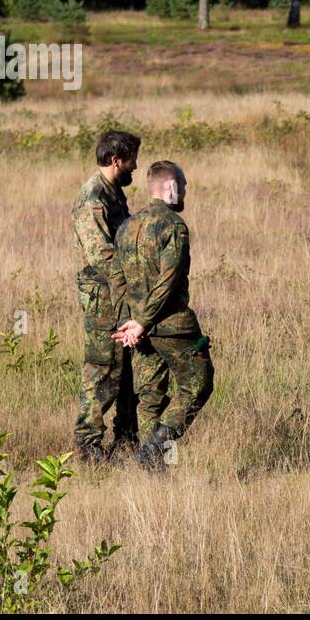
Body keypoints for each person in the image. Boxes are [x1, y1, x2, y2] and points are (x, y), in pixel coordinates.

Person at [113, 161, 213, 470]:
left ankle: (153, 474)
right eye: (182, 185)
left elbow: (119, 279)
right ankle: (153, 451)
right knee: (198, 384)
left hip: (137, 329)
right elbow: (167, 282)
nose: (185, 190)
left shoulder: (127, 227)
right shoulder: (173, 225)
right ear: (170, 187)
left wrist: (131, 322)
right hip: (170, 326)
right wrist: (142, 322)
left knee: (150, 397)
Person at [72, 130, 141, 463]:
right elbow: (101, 253)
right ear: (116, 160)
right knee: (103, 368)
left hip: (119, 292)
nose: (136, 167)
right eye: (131, 160)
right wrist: (131, 283)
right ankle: (88, 446)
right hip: (104, 294)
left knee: (127, 368)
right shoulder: (93, 197)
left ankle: (126, 439)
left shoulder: (113, 192)